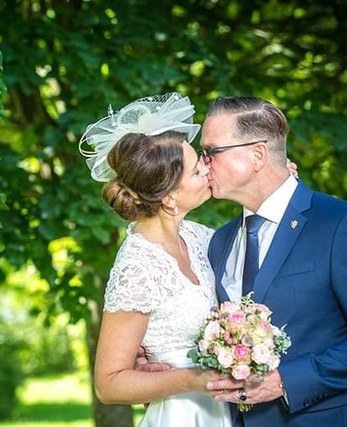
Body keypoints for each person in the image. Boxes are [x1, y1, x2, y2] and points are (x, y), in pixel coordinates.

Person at [200, 96, 347, 426]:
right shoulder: (219, 241)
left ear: (257, 155)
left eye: (212, 151)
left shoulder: (339, 224)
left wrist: (285, 381)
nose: (202, 163)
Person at [79, 93, 239, 427]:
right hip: (181, 415)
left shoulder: (199, 237)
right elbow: (108, 384)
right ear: (168, 199)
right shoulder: (137, 267)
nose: (208, 170)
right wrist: (191, 379)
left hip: (222, 411)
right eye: (197, 171)